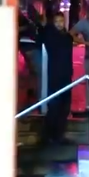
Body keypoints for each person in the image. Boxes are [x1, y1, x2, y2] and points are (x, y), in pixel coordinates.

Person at [37, 13, 75, 144]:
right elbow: (41, 37)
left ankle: (58, 135)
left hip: (66, 74)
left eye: (61, 21)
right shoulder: (50, 35)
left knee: (64, 107)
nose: (59, 24)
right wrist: (43, 26)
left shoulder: (67, 36)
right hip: (55, 75)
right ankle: (49, 135)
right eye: (57, 21)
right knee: (54, 106)